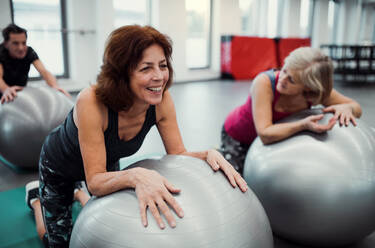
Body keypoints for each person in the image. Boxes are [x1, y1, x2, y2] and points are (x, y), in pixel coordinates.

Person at [26, 25, 247, 247]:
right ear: (121, 74)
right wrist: (136, 175)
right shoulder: (92, 101)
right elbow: (94, 181)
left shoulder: (162, 100)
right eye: (146, 69)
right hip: (59, 166)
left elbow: (178, 154)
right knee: (59, 242)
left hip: (103, 163)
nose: (159, 77)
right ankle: (37, 200)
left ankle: (77, 194)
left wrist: (207, 154)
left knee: (102, 220)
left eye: (163, 66)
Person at [220, 47, 362, 174]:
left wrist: (346, 107)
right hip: (238, 136)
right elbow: (265, 133)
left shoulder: (315, 93)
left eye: (292, 80)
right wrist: (303, 124)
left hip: (275, 140)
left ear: (308, 87)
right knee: (238, 180)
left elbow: (356, 108)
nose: (282, 79)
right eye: (284, 70)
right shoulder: (264, 83)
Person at [0, 24, 70, 103]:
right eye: (15, 43)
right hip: (3, 93)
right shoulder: (1, 52)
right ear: (6, 44)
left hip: (18, 94)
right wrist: (6, 89)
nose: (21, 48)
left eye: (24, 43)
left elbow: (44, 71)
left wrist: (55, 86)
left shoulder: (29, 52)